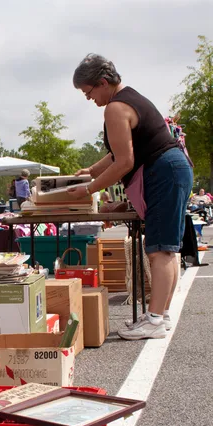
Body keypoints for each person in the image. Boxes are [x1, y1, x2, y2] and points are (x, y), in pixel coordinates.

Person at [69, 53, 193, 341]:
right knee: (168, 249)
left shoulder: (115, 108)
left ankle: (154, 319)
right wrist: (91, 171)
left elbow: (124, 161)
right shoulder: (131, 98)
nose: (89, 99)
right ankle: (161, 314)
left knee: (159, 250)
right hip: (174, 168)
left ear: (102, 82)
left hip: (162, 171)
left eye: (88, 92)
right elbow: (118, 151)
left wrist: (89, 188)